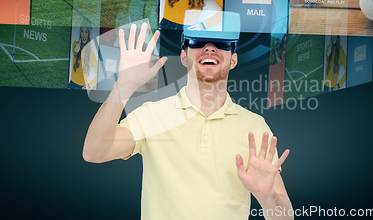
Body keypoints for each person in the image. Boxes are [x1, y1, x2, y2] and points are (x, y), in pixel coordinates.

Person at [82, 18, 293, 219]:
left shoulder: (254, 126)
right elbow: (94, 152)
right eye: (198, 42)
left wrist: (268, 197)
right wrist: (124, 86)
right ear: (184, 56)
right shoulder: (150, 115)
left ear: (233, 60)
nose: (209, 48)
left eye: (222, 44)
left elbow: (285, 217)